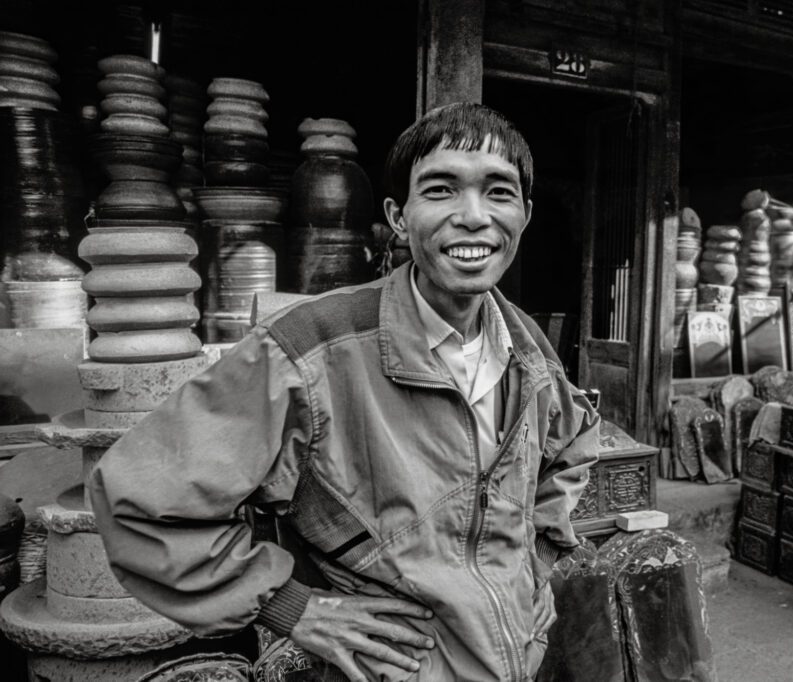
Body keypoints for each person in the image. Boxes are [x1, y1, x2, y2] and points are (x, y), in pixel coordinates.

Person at [88, 103, 601, 682]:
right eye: (440, 190)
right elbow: (139, 503)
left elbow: (574, 445)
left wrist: (537, 560)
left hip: (515, 657)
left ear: (524, 216)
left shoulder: (524, 344)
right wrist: (292, 608)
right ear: (398, 218)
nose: (473, 216)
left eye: (499, 192)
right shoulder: (309, 349)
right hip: (394, 667)